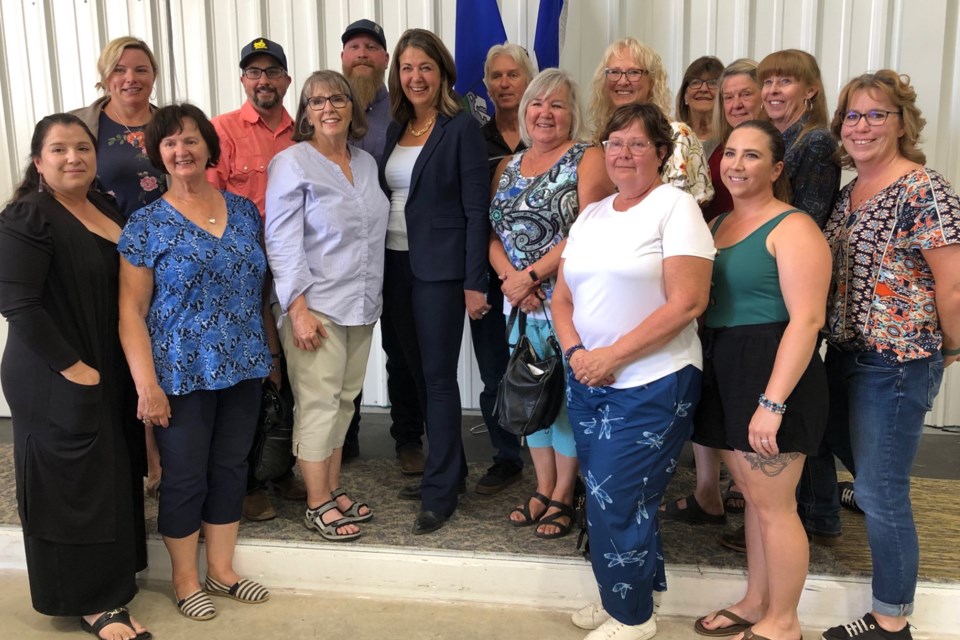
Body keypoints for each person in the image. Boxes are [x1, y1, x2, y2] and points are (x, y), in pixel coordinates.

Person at [555, 103, 715, 640]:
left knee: (622, 497)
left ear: (662, 154)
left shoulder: (675, 207)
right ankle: (620, 595)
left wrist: (612, 357)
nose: (623, 154)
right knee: (601, 496)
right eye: (614, 143)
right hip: (589, 378)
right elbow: (560, 300)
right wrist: (579, 354)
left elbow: (687, 303)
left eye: (638, 144)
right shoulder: (592, 214)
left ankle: (634, 619)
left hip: (653, 380)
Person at [818, 70, 960, 640]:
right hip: (848, 350)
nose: (863, 125)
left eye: (878, 114)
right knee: (845, 451)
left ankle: (891, 618)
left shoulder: (923, 188)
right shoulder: (848, 191)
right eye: (853, 115)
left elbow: (951, 283)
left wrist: (953, 346)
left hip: (897, 361)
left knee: (883, 491)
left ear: (902, 123)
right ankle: (874, 493)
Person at [118, 104, 273, 620]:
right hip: (179, 373)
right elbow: (131, 313)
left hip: (245, 366)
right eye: (169, 143)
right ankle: (185, 581)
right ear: (158, 154)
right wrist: (146, 386)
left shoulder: (245, 211)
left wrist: (269, 356)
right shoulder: (145, 224)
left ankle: (221, 571)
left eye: (189, 141)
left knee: (231, 467)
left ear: (209, 146)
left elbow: (259, 291)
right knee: (185, 475)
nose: (180, 151)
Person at [0, 113, 151, 640]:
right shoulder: (27, 216)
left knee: (109, 471)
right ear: (39, 162)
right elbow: (18, 304)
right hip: (55, 370)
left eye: (83, 148)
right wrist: (74, 369)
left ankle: (113, 579)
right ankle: (90, 601)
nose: (74, 158)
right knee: (74, 482)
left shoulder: (103, 204)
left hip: (107, 364)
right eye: (59, 150)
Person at [693, 119, 830, 640]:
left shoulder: (793, 227)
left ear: (776, 168)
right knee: (753, 496)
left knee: (776, 504)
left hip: (771, 365)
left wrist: (772, 403)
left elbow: (807, 320)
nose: (736, 164)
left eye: (752, 156)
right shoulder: (716, 225)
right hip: (725, 361)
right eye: (731, 153)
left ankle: (785, 621)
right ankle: (756, 600)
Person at [264, 70, 388, 542]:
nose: (329, 107)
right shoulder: (292, 163)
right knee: (317, 405)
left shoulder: (366, 163)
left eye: (338, 98)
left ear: (352, 108)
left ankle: (331, 488)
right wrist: (295, 309)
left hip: (361, 304)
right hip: (316, 309)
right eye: (317, 101)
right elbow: (281, 240)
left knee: (344, 404)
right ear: (305, 113)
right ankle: (316, 503)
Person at [490, 68, 613, 537]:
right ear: (524, 112)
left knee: (564, 399)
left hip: (570, 302)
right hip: (519, 305)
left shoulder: (588, 157)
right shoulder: (507, 164)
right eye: (538, 104)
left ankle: (565, 491)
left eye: (557, 105)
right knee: (529, 394)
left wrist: (533, 274)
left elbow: (590, 228)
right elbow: (493, 233)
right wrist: (511, 279)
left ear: (572, 114)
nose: (546, 113)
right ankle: (543, 484)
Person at [380, 28, 490, 534]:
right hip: (395, 264)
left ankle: (441, 490)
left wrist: (474, 281)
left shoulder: (461, 127)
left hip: (442, 272)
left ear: (441, 72)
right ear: (396, 76)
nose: (415, 76)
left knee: (440, 378)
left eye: (425, 66)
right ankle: (449, 470)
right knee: (415, 372)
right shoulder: (395, 128)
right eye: (407, 68)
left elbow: (475, 210)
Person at [207, 36, 305, 523]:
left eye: (272, 72)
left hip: (296, 273)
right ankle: (247, 479)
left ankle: (280, 467)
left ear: (287, 79)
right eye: (254, 72)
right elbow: (211, 205)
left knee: (293, 372)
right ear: (244, 80)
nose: (263, 80)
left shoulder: (304, 132)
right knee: (251, 374)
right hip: (243, 276)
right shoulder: (220, 131)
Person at [661, 59, 763, 529]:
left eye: (743, 93)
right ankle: (709, 492)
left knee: (743, 395)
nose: (732, 102)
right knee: (710, 389)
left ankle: (752, 495)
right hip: (701, 260)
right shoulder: (695, 141)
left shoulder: (757, 148)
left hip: (740, 276)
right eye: (727, 95)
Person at [70, 35, 167, 498]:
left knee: (163, 355)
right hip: (108, 255)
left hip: (168, 257)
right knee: (124, 355)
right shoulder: (83, 126)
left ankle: (165, 459)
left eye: (141, 69)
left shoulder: (169, 123)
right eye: (120, 70)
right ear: (105, 75)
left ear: (153, 75)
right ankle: (141, 460)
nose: (131, 78)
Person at [755, 49, 842, 551]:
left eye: (784, 82)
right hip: (781, 279)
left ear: (809, 90)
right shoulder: (780, 138)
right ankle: (815, 510)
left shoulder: (814, 142)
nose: (772, 91)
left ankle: (820, 514)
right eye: (767, 82)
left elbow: (805, 218)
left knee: (799, 403)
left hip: (794, 286)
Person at [340, 18, 426, 472]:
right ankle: (342, 438)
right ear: (342, 58)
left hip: (393, 247)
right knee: (340, 348)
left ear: (385, 61)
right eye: (354, 46)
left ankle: (407, 438)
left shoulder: (402, 109)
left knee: (400, 346)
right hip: (336, 254)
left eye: (372, 47)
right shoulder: (326, 103)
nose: (362, 54)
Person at [470, 42, 539, 496]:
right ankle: (506, 456)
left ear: (530, 79)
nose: (504, 84)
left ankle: (561, 463)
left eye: (513, 75)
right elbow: (470, 215)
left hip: (549, 278)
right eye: (496, 76)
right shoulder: (471, 139)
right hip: (491, 275)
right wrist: (476, 282)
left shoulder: (552, 133)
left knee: (550, 366)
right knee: (495, 371)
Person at [589, 37, 714, 205]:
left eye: (634, 72)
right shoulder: (595, 141)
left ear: (652, 82)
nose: (623, 81)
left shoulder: (677, 137)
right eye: (614, 72)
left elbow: (687, 211)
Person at [701, 58, 762, 222]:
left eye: (746, 94)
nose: (736, 104)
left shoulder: (776, 148)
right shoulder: (711, 148)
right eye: (728, 97)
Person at [675, 56, 724, 157]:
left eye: (712, 83)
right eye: (695, 82)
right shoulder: (671, 138)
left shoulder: (732, 139)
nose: (704, 89)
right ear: (685, 95)